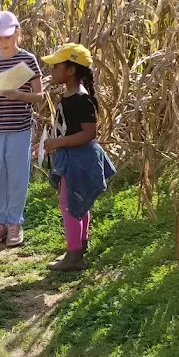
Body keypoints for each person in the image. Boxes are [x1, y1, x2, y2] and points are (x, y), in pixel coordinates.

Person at [41, 43, 115, 272]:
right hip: (74, 157)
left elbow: (89, 133)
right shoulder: (70, 97)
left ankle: (74, 256)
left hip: (79, 160)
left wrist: (59, 143)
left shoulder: (80, 100)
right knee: (76, 203)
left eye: (55, 67)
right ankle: (79, 247)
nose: (51, 72)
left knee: (70, 206)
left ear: (70, 70)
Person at [0, 11, 44, 247]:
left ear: (17, 32)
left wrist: (20, 95)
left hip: (19, 126)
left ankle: (14, 222)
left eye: (7, 37)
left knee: (18, 175)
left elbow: (39, 96)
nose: (3, 42)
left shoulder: (28, 59)